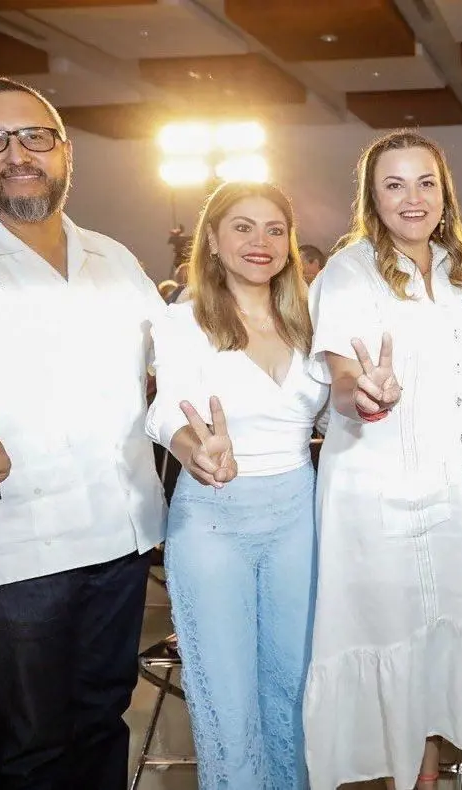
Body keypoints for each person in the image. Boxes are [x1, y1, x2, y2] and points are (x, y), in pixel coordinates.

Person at [0, 76, 167, 789]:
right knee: (34, 743)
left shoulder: (115, 259)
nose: (17, 154)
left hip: (121, 533)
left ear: (66, 152)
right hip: (15, 546)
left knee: (105, 717)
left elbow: (168, 374)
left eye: (35, 136)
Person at [303, 130, 462, 790]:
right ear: (371, 197)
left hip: (452, 494)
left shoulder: (460, 273)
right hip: (376, 496)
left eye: (425, 183)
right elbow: (341, 369)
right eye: (394, 184)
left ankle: (430, 774)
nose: (412, 199)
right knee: (392, 646)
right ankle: (400, 780)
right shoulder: (349, 271)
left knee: (436, 644)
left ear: (445, 193)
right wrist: (366, 391)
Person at [145, 181, 324, 789]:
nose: (260, 242)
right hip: (213, 519)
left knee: (295, 690)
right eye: (242, 227)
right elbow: (167, 408)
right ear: (214, 242)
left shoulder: (310, 318)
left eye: (275, 229)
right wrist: (195, 449)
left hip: (299, 517)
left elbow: (335, 414)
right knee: (225, 698)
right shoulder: (184, 320)